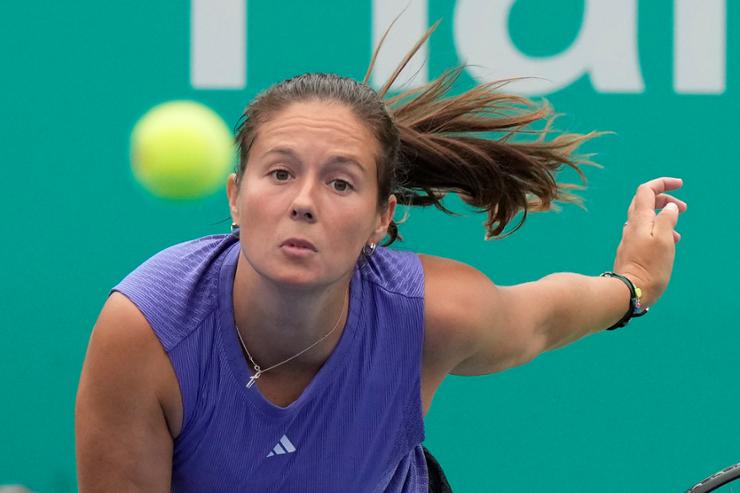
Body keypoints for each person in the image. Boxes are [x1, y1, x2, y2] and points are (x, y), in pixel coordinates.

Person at [74, 28, 686, 492]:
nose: (305, 202)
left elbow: (542, 320)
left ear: (381, 218)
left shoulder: (433, 312)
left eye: (341, 184)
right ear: (236, 197)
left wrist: (633, 284)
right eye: (281, 173)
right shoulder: (146, 331)